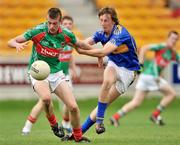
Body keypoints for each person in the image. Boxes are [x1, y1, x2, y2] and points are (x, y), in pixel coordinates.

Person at [7, 8, 94, 142]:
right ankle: (54, 125)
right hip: (37, 72)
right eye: (49, 23)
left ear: (60, 22)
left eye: (54, 23)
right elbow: (12, 41)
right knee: (46, 99)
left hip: (56, 73)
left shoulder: (66, 34)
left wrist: (101, 54)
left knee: (73, 107)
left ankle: (77, 137)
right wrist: (15, 45)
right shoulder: (38, 31)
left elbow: (81, 44)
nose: (51, 26)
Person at [75, 7, 140, 135]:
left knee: (104, 104)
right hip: (114, 64)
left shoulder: (120, 33)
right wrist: (71, 42)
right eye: (101, 20)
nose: (103, 23)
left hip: (129, 71)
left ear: (113, 21)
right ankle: (92, 126)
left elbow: (103, 52)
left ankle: (83, 129)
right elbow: (84, 43)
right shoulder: (100, 33)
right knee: (107, 82)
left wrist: (83, 51)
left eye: (106, 20)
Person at [21, 15, 77, 136]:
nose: (67, 26)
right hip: (47, 74)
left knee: (70, 104)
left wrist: (74, 68)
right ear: (61, 24)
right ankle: (27, 126)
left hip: (63, 75)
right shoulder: (55, 39)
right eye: (65, 24)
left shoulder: (68, 41)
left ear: (72, 25)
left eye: (69, 24)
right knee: (44, 101)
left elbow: (71, 56)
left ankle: (66, 123)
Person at [110, 31, 180, 127]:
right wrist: (141, 64)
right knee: (171, 94)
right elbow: (144, 48)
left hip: (145, 77)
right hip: (152, 77)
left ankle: (115, 117)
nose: (173, 41)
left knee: (136, 102)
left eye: (176, 39)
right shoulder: (163, 46)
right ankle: (155, 115)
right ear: (168, 39)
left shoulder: (172, 53)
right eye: (172, 38)